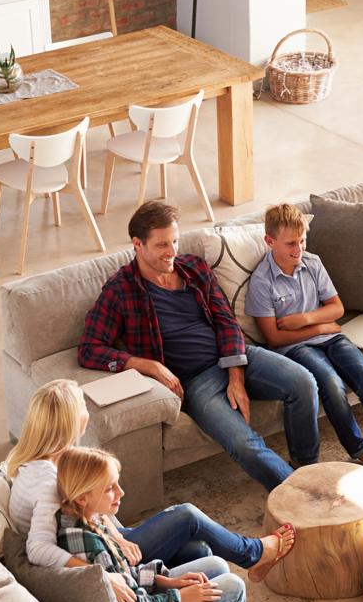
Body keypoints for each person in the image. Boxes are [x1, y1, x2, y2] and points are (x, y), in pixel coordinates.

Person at [78, 200, 323, 487]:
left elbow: (226, 321)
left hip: (236, 357)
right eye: (161, 245)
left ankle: (307, 467)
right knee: (243, 442)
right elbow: (89, 349)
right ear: (137, 244)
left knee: (304, 383)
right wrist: (148, 365)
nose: (172, 252)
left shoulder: (194, 268)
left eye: (175, 241)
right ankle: (299, 492)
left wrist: (236, 374)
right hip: (196, 383)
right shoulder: (120, 290)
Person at [6, 379, 296, 581]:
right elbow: (38, 548)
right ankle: (254, 554)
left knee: (200, 551)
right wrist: (103, 574)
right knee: (187, 516)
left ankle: (214, 592)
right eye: (82, 406)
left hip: (105, 539)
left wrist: (117, 535)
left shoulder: (53, 458)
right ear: (69, 421)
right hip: (99, 556)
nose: (87, 412)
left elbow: (87, 512)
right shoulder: (47, 480)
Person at [244, 203, 363, 469]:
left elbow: (337, 308)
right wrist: (320, 326)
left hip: (332, 339)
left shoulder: (313, 263)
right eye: (290, 244)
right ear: (269, 241)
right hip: (295, 348)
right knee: (331, 385)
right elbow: (273, 337)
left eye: (302, 241)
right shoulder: (262, 281)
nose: (298, 250)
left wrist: (304, 320)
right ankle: (360, 450)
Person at [56, 447, 248, 602]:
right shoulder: (90, 547)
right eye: (109, 488)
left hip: (145, 599)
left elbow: (124, 575)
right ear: (81, 497)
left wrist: (166, 581)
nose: (121, 492)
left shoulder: (85, 517)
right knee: (234, 587)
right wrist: (180, 598)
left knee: (217, 565)